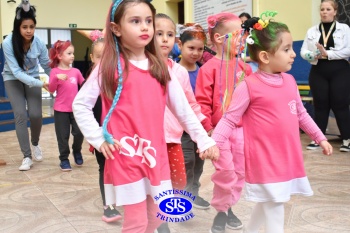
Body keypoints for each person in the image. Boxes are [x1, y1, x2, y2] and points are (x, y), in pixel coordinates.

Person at [72, 1, 219, 233]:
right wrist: (98, 138)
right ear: (116, 29)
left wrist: (204, 139)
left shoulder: (161, 67)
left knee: (156, 218)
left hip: (155, 156)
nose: (145, 28)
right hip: (126, 156)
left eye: (148, 21)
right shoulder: (109, 66)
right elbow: (80, 104)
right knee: (137, 222)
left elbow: (183, 110)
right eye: (135, 21)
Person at [212, 16, 333, 233]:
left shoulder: (289, 81)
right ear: (265, 56)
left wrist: (320, 137)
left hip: (286, 157)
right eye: (287, 49)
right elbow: (229, 118)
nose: (294, 54)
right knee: (275, 204)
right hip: (264, 160)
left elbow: (301, 114)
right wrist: (210, 144)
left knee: (268, 201)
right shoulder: (248, 86)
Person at [195, 12, 252, 232]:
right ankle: (221, 210)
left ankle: (228, 207)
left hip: (242, 131)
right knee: (225, 172)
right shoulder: (208, 69)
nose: (243, 40)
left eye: (243, 35)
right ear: (220, 39)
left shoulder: (245, 69)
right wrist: (208, 131)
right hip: (218, 132)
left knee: (239, 173)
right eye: (238, 35)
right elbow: (202, 103)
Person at [155, 13, 209, 233]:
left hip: (173, 137)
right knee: (154, 182)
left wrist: (204, 125)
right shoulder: (140, 69)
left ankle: (165, 213)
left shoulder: (179, 72)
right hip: (149, 139)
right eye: (159, 34)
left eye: (169, 35)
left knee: (177, 181)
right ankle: (160, 224)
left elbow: (190, 104)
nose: (165, 39)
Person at [2, 1, 50, 171]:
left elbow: (46, 64)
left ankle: (35, 143)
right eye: (25, 27)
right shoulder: (8, 43)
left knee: (36, 114)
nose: (29, 30)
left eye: (32, 27)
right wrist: (41, 83)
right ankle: (27, 156)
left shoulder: (38, 43)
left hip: (32, 77)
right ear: (18, 27)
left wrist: (56, 81)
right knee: (20, 115)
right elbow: (15, 71)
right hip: (12, 78)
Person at [300, 0, 350, 152]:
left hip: (339, 70)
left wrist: (327, 53)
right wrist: (310, 54)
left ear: (335, 12)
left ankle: (347, 139)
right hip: (318, 71)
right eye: (322, 9)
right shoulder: (312, 30)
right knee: (320, 104)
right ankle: (318, 139)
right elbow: (303, 51)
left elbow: (348, 51)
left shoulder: (344, 28)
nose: (324, 12)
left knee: (340, 104)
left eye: (328, 9)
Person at [85, 31, 123, 223]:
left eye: (107, 57)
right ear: (92, 58)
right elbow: (84, 112)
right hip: (101, 136)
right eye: (99, 57)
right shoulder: (89, 84)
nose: (103, 62)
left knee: (121, 167)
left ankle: (124, 198)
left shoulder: (118, 80)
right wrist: (95, 137)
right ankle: (109, 206)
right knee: (105, 167)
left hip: (120, 134)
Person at [177, 22, 212, 210]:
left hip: (199, 127)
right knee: (186, 161)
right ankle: (184, 196)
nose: (195, 53)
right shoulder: (173, 71)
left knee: (199, 163)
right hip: (180, 128)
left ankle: (193, 194)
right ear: (180, 45)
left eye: (200, 49)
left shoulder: (204, 73)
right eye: (191, 48)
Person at [48, 40, 85, 171]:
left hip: (75, 110)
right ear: (59, 56)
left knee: (79, 133)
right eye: (69, 53)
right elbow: (51, 89)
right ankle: (64, 159)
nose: (73, 56)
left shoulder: (76, 71)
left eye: (73, 53)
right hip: (60, 110)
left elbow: (85, 85)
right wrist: (56, 78)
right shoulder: (54, 72)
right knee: (62, 137)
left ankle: (77, 151)